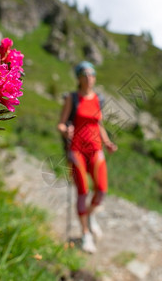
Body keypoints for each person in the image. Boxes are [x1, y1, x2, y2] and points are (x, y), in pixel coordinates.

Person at [57, 61, 117, 253]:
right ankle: (85, 234)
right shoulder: (72, 98)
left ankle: (90, 216)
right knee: (82, 191)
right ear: (79, 78)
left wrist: (107, 142)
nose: (89, 78)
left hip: (96, 148)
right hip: (77, 151)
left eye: (92, 74)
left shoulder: (98, 99)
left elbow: (99, 124)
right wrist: (66, 130)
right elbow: (61, 124)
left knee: (101, 190)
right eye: (85, 74)